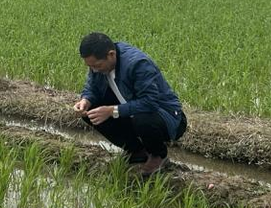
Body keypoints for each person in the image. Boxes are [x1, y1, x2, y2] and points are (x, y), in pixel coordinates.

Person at [73, 32, 188, 177]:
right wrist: (85, 100)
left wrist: (112, 110)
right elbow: (92, 87)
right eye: (90, 67)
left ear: (111, 54)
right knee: (91, 112)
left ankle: (158, 155)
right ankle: (137, 150)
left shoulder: (138, 64)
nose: (94, 70)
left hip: (166, 116)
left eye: (97, 65)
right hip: (130, 109)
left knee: (142, 118)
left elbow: (150, 102)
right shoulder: (99, 65)